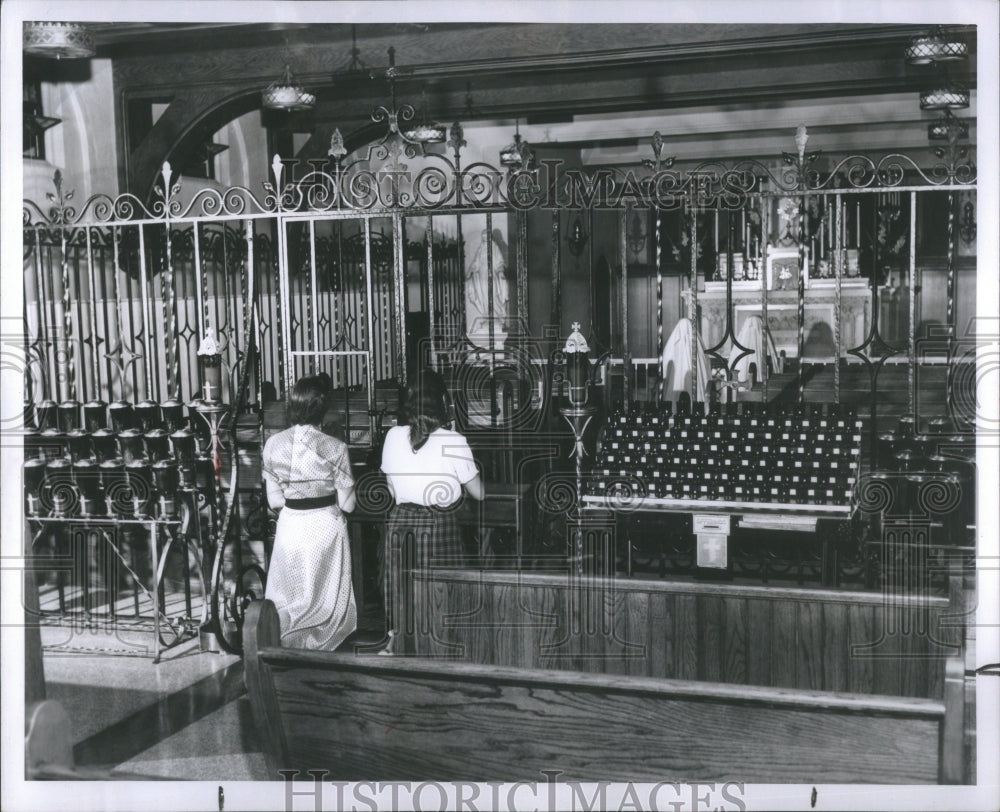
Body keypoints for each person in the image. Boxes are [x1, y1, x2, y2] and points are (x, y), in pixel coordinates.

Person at [379, 369, 484, 654]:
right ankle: (442, 643)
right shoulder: (453, 440)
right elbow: (478, 493)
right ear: (442, 402)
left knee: (399, 584)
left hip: (401, 520)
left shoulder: (392, 436)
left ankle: (396, 641)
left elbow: (390, 488)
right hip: (438, 522)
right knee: (442, 585)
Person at [262, 375, 357, 650]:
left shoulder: (273, 444)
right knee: (322, 598)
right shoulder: (335, 447)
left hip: (291, 525)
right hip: (324, 527)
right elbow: (348, 504)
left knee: (289, 593)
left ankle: (285, 643)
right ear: (323, 409)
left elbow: (274, 500)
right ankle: (321, 645)